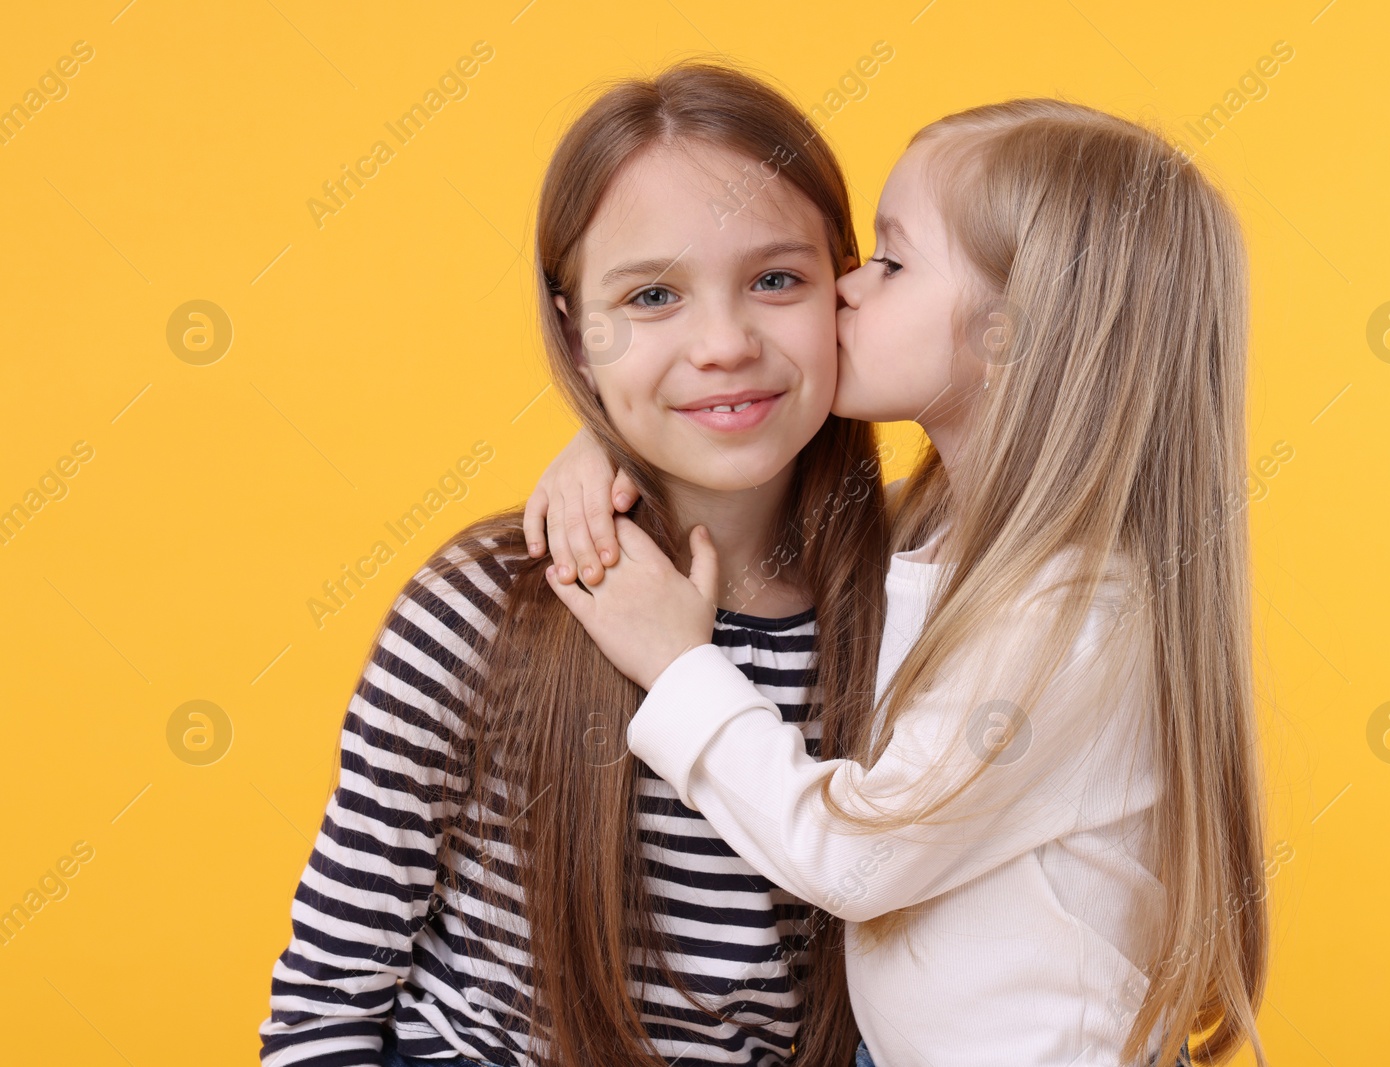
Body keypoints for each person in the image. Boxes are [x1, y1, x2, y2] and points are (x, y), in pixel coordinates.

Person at [531, 98, 1266, 1066]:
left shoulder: (1076, 611)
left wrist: (676, 662)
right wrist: (609, 446)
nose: (843, 288)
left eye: (891, 260)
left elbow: (856, 855)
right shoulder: (935, 533)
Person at [259, 62, 891, 1067]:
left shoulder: (919, 610)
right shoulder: (481, 607)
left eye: (776, 279)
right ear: (572, 330)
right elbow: (320, 1013)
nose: (723, 342)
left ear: (848, 289)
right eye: (652, 295)